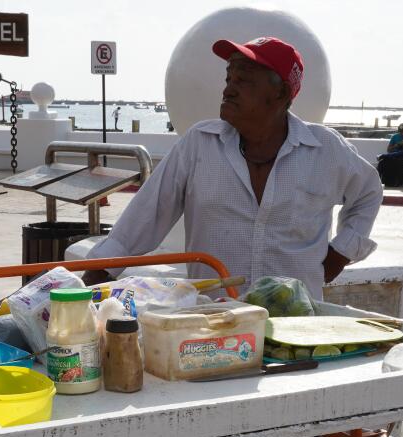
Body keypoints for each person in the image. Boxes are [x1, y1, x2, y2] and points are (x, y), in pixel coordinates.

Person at [84, 36, 382, 301]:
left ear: (280, 94)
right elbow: (142, 220)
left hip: (296, 322)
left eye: (244, 80)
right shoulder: (199, 145)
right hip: (215, 322)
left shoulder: (325, 149)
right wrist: (90, 282)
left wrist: (341, 253)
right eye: (229, 78)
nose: (229, 89)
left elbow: (369, 191)